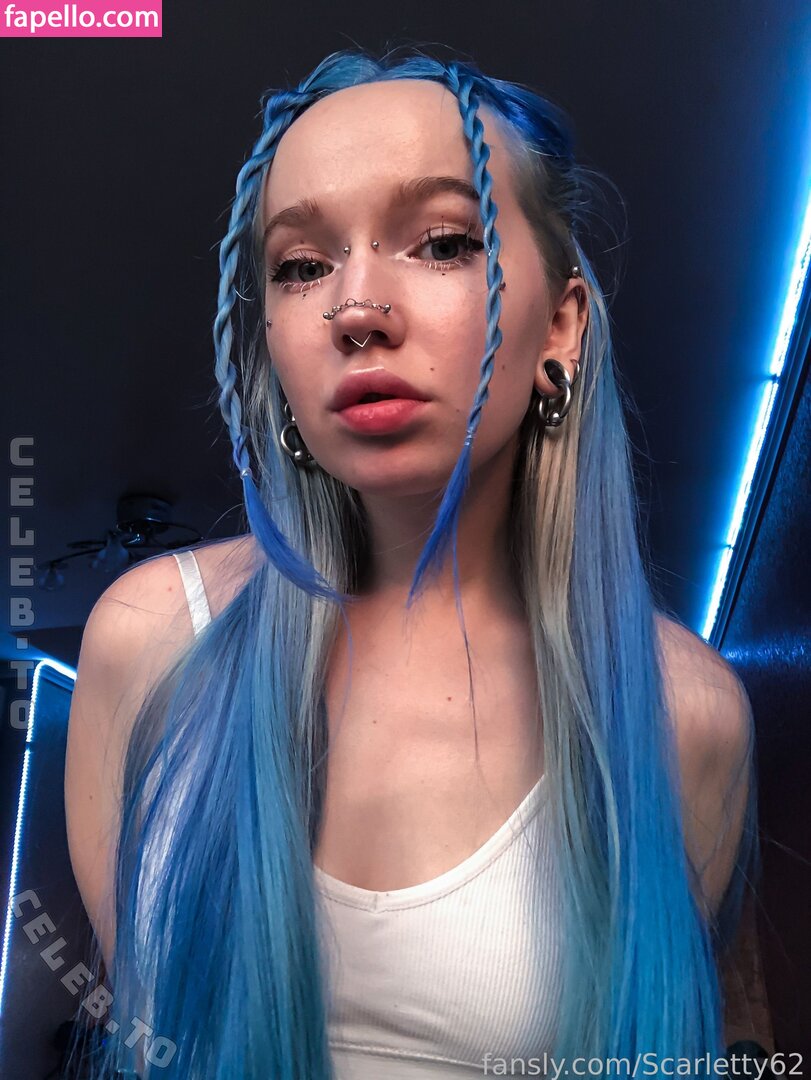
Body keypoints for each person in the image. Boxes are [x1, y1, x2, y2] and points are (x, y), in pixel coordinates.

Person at [64, 47, 763, 1079]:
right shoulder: (151, 642)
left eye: (441, 243)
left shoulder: (682, 714)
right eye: (301, 266)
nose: (355, 309)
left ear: (560, 327)